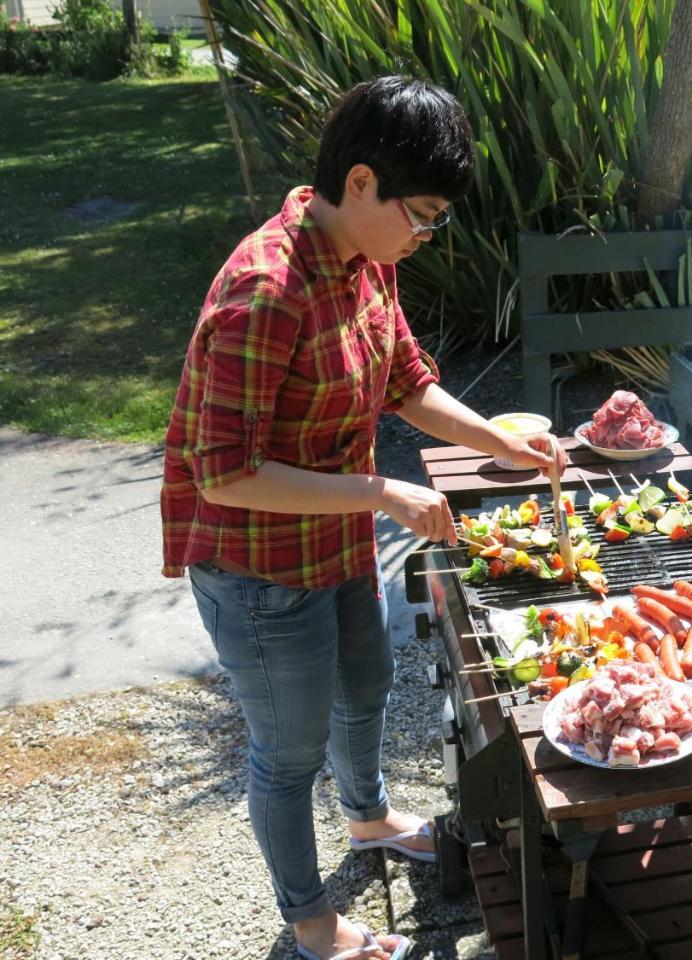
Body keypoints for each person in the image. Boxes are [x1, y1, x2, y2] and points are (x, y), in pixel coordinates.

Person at [160, 76, 565, 960]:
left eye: (437, 220)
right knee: (286, 754)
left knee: (368, 684)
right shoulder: (266, 291)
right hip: (256, 566)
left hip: (332, 537)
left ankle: (370, 815)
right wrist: (382, 494)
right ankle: (309, 923)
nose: (425, 236)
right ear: (360, 183)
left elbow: (407, 382)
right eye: (421, 213)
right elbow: (223, 475)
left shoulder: (364, 258)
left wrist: (500, 444)